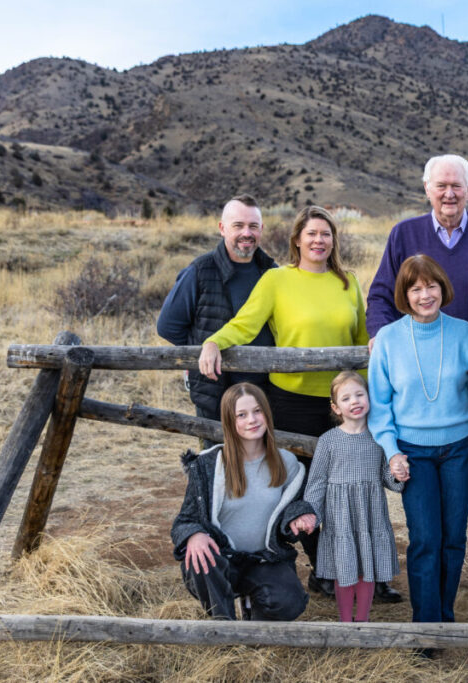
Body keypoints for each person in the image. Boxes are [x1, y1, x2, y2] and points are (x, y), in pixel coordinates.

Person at [197, 205, 390, 601]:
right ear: (297, 239)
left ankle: (364, 571)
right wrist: (214, 341)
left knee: (352, 488)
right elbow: (246, 323)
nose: (319, 240)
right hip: (290, 402)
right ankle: (326, 572)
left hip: (341, 405)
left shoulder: (347, 282)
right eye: (311, 233)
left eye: (326, 234)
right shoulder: (277, 280)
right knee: (306, 491)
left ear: (334, 240)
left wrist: (370, 398)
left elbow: (362, 342)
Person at [365, 154, 468, 598]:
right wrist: (380, 335)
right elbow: (380, 293)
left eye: (457, 185)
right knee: (433, 514)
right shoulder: (404, 234)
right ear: (426, 189)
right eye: (441, 186)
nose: (449, 193)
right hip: (417, 362)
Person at [368, 255, 468, 641]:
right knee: (425, 537)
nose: (425, 295)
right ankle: (426, 627)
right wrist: (392, 451)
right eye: (415, 288)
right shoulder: (389, 339)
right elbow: (379, 404)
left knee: (454, 536)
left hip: (460, 447)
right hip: (412, 451)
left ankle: (445, 615)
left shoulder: (464, 332)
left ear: (443, 288)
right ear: (404, 295)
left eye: (431, 286)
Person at [171, 382, 312, 621]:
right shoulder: (208, 465)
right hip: (222, 560)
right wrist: (194, 534)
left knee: (290, 603)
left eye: (258, 411)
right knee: (199, 556)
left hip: (262, 559)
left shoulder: (287, 463)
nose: (252, 420)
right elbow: (184, 520)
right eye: (242, 415)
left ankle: (253, 612)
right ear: (230, 420)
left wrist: (300, 515)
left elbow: (289, 519)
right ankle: (223, 622)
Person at [157, 194, 276, 429]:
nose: (247, 233)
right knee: (215, 459)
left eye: (253, 226)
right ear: (222, 228)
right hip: (214, 388)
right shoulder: (200, 271)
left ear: (261, 229)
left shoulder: (272, 271)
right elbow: (168, 326)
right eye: (238, 226)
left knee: (259, 459)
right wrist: (204, 349)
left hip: (263, 389)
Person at [296, 371, 404, 623]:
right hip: (340, 517)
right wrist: (312, 513)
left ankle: (363, 621)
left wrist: (398, 474)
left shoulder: (379, 438)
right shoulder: (328, 441)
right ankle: (346, 621)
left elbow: (387, 478)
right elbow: (317, 482)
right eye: (346, 398)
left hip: (370, 516)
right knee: (344, 571)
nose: (354, 401)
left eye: (359, 394)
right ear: (336, 407)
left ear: (369, 398)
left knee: (366, 571)